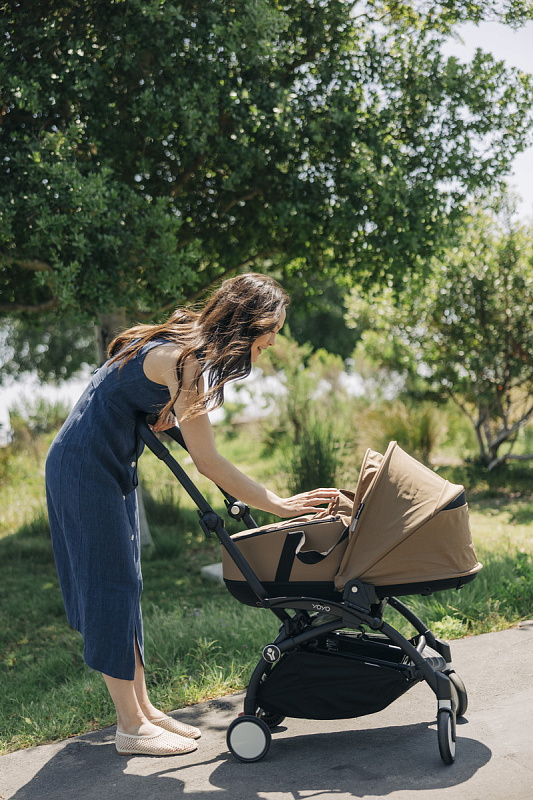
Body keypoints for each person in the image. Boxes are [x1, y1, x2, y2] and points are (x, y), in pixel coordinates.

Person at [45, 273, 339, 757]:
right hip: (84, 471)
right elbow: (209, 461)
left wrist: (156, 413)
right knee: (109, 587)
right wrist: (280, 505)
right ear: (247, 322)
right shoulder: (185, 360)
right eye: (271, 331)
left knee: (127, 585)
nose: (272, 343)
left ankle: (143, 710)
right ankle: (129, 727)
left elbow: (123, 394)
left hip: (106, 467)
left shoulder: (181, 343)